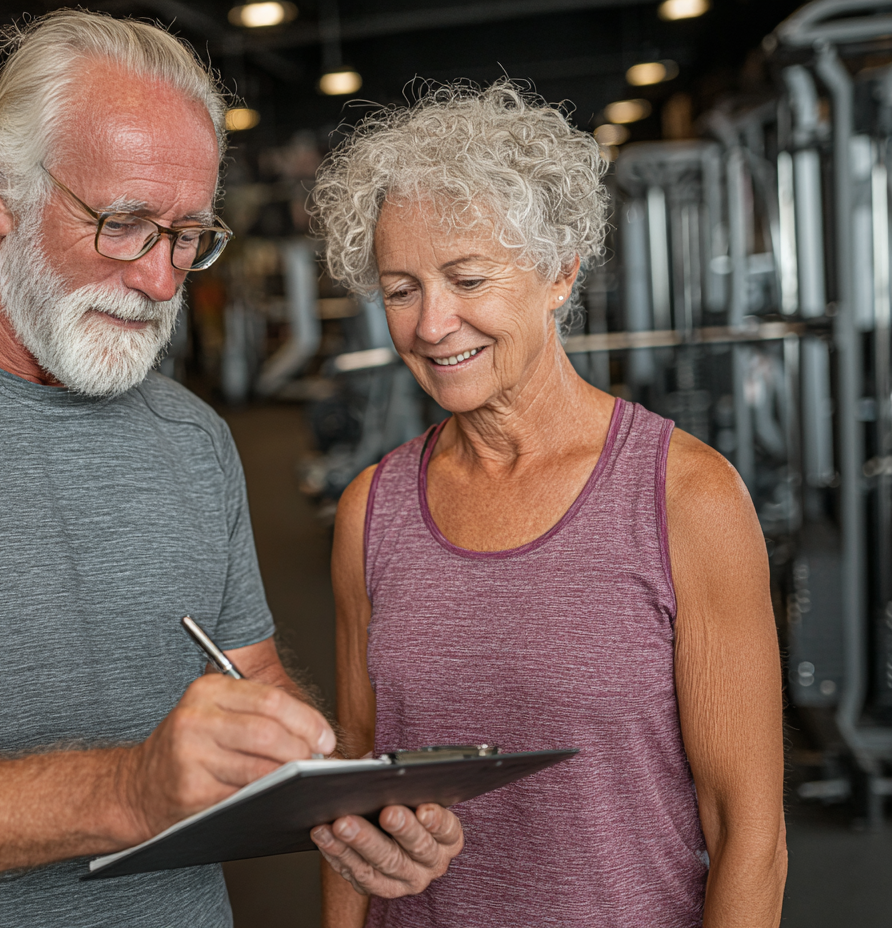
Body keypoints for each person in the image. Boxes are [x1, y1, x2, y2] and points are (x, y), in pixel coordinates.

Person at [0, 12, 457, 927]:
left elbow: (251, 675)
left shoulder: (192, 436)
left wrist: (341, 795)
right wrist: (127, 791)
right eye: (124, 224)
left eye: (188, 235)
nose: (159, 279)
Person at [307, 82, 788, 927]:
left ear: (560, 271)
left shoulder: (685, 497)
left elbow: (749, 835)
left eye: (467, 278)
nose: (431, 323)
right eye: (401, 288)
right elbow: (352, 800)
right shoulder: (369, 513)